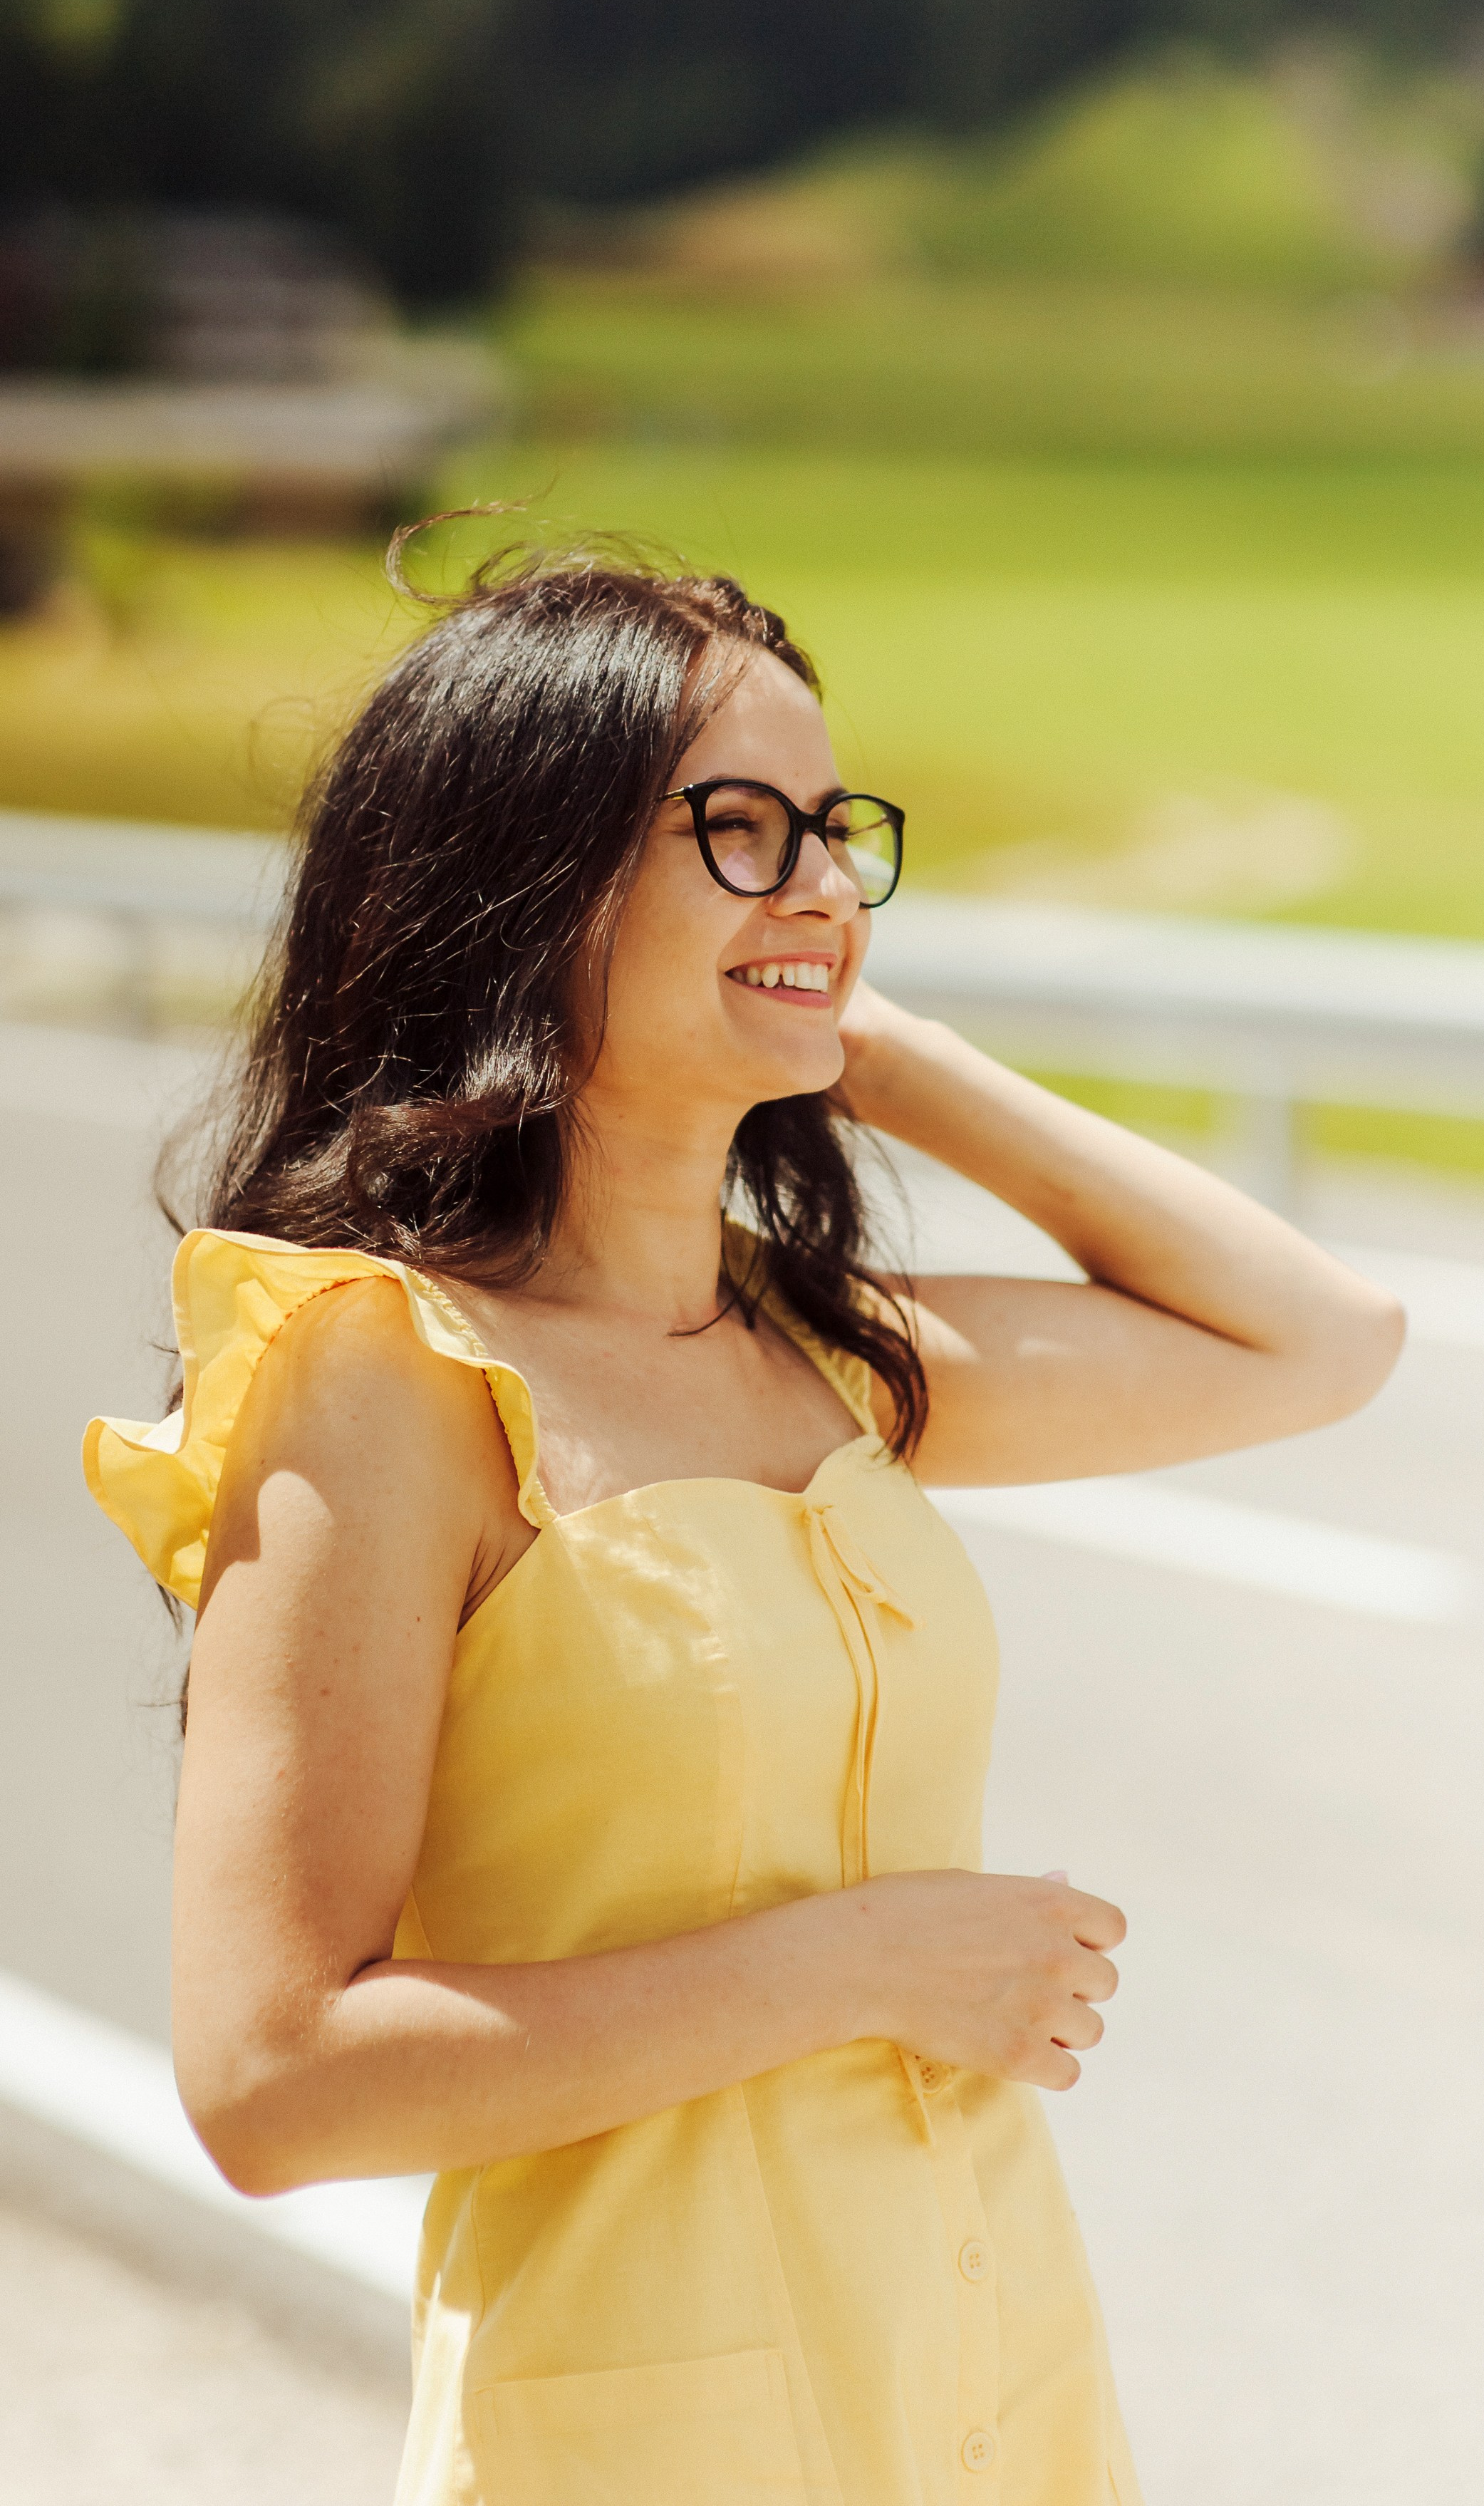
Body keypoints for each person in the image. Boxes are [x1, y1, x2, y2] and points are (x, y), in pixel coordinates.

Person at [85, 545, 1404, 2506]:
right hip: (642, 2444)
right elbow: (273, 2077)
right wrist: (856, 1964)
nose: (821, 883)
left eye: (836, 834)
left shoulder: (821, 1351)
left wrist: (852, 1026)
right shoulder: (381, 1376)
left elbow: (1319, 1336)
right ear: (526, 881)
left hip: (988, 2407)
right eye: (737, 827)